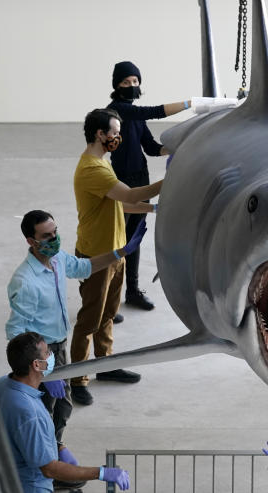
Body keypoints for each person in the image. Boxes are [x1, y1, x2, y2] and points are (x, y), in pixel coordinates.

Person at [6, 210, 146, 493]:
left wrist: (120, 252)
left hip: (57, 348)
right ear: (30, 241)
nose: (54, 239)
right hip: (40, 355)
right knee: (41, 421)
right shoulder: (24, 280)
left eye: (55, 232)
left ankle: (54, 461)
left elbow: (83, 266)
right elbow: (16, 332)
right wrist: (43, 369)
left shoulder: (56, 260)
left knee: (61, 408)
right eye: (46, 236)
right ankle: (42, 483)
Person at [0, 332, 130, 493]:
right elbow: (49, 469)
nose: (52, 357)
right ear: (37, 365)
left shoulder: (3, 385)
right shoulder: (28, 412)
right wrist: (102, 472)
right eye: (48, 352)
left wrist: (57, 445)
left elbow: (20, 436)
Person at [70, 108, 162, 401]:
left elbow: (122, 204)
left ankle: (105, 365)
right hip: (96, 256)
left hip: (115, 252)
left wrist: (156, 208)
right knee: (89, 320)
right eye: (114, 131)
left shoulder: (102, 163)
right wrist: (173, 181)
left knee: (108, 314)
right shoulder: (92, 170)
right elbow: (132, 195)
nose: (118, 136)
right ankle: (78, 379)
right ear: (100, 134)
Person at [106, 61, 190, 311]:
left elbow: (151, 147)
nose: (132, 86)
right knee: (118, 241)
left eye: (135, 81)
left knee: (134, 239)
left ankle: (132, 291)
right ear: (116, 86)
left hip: (140, 177)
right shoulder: (117, 111)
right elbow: (153, 111)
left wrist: (179, 149)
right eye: (126, 82)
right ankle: (109, 301)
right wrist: (190, 104)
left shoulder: (135, 115)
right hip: (121, 181)